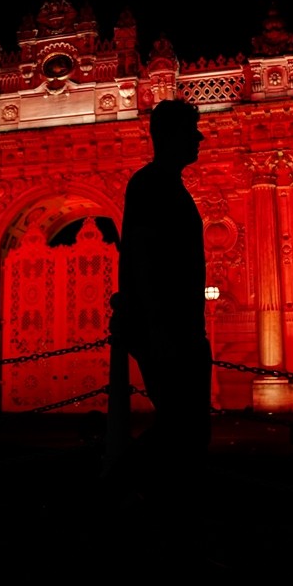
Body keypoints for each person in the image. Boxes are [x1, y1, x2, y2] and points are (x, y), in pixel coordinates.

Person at [111, 98, 215, 554]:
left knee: (187, 430)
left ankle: (157, 517)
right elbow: (146, 262)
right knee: (184, 428)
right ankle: (113, 490)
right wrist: (159, 331)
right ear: (170, 135)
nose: (200, 137)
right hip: (169, 333)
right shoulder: (152, 185)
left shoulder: (166, 185)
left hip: (181, 329)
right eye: (192, 130)